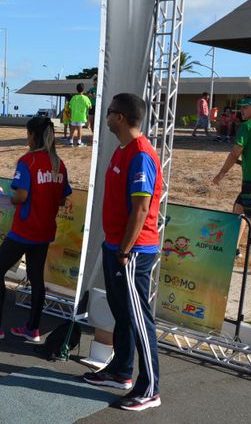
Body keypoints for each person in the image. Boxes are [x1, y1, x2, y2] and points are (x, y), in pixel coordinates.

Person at [82, 92, 162, 412]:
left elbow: (141, 209)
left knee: (140, 319)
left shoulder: (141, 154)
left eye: (109, 112)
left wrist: (126, 249)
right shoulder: (122, 148)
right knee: (122, 312)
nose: (105, 117)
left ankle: (150, 389)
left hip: (133, 251)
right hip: (115, 245)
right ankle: (120, 372)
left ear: (121, 117)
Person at [0, 116, 71, 341]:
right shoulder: (59, 164)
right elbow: (63, 199)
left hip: (25, 229)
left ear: (33, 136)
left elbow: (21, 196)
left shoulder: (28, 161)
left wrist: (8, 200)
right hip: (45, 230)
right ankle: (33, 329)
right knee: (36, 278)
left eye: (28, 134)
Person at [213, 96, 251, 248]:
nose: (241, 110)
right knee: (239, 210)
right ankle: (233, 248)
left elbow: (234, 154)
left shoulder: (247, 126)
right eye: (241, 107)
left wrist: (222, 173)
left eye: (245, 107)